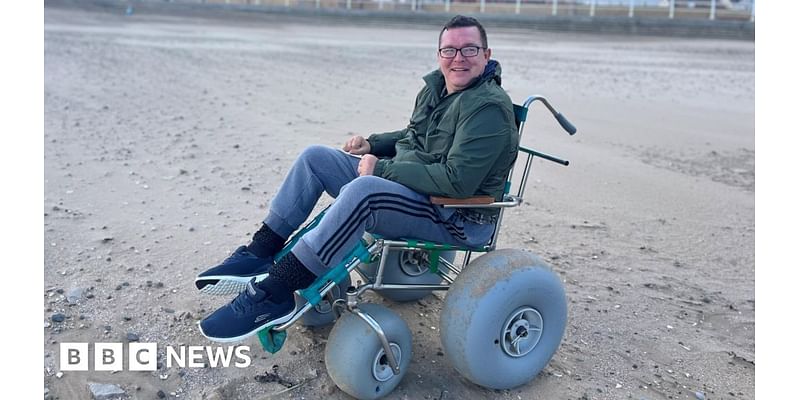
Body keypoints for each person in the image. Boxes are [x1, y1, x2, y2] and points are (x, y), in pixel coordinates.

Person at [197, 15, 520, 342]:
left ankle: (276, 292)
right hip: (418, 189)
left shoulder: (488, 109)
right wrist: (373, 145)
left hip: (456, 214)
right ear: (439, 54)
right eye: (450, 50)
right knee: (316, 158)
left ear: (486, 54)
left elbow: (458, 182)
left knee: (366, 191)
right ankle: (260, 251)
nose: (458, 58)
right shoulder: (437, 88)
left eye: (469, 49)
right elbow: (413, 136)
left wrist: (381, 169)